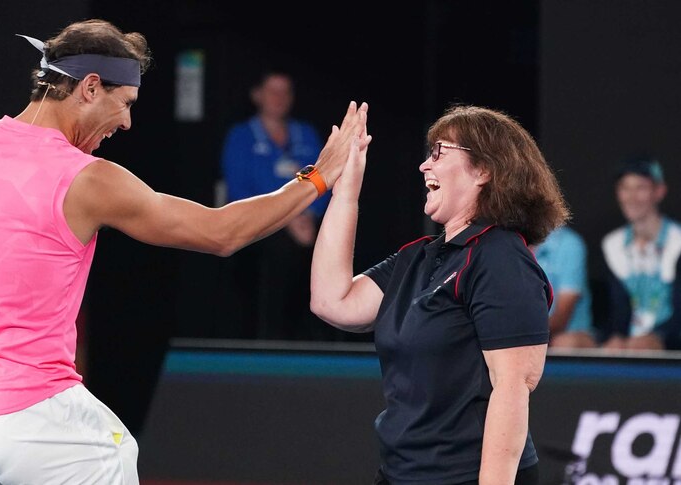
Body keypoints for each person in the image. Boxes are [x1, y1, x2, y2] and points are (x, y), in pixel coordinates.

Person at [0, 19, 369, 484]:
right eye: (126, 101)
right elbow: (222, 232)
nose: (128, 123)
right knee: (114, 448)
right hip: (35, 419)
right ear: (90, 87)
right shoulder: (87, 177)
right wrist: (319, 176)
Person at [310, 105, 569, 484]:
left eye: (439, 152)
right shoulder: (418, 257)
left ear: (483, 170)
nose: (423, 166)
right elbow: (332, 301)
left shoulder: (500, 257)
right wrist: (346, 190)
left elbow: (513, 389)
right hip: (402, 473)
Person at [220, 70, 333, 340]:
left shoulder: (305, 133)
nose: (279, 98)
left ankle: (319, 342)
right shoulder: (241, 136)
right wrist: (287, 219)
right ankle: (271, 340)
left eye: (286, 92)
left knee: (328, 241)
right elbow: (238, 190)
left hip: (305, 222)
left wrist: (308, 215)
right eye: (273, 91)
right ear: (257, 95)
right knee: (280, 251)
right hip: (259, 227)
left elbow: (326, 180)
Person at [598, 157, 681, 351]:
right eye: (625, 188)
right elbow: (618, 310)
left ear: (659, 192)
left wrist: (660, 338)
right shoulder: (613, 244)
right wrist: (616, 337)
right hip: (631, 348)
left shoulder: (677, 241)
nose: (631, 197)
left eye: (640, 188)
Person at [531, 224, 597, 348]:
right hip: (523, 337)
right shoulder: (506, 245)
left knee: (564, 343)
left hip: (567, 336)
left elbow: (561, 318)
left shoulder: (569, 244)